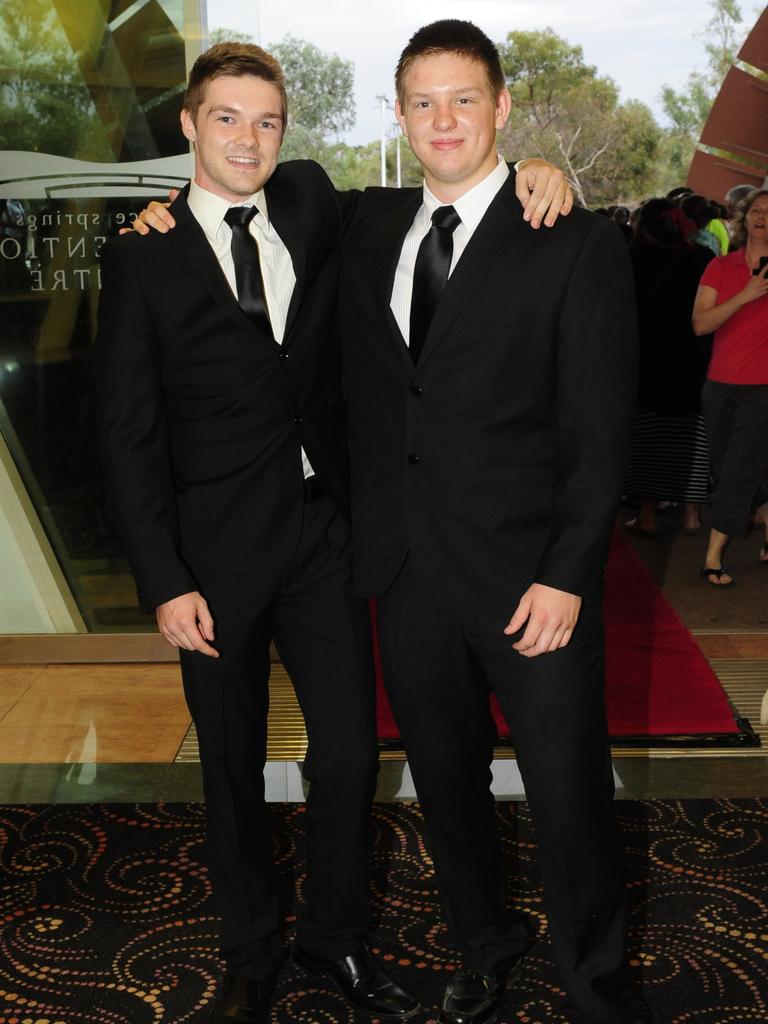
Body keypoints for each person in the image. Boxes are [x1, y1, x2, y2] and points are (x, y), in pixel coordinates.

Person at [97, 41, 572, 1024]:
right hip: (212, 558)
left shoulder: (315, 202)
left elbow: (443, 195)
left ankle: (334, 937)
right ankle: (248, 948)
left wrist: (535, 168)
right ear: (188, 126)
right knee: (228, 765)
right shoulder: (140, 253)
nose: (249, 138)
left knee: (350, 753)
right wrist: (162, 578)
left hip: (322, 538)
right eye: (226, 118)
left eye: (267, 120)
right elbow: (127, 436)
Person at [339, 20, 648, 1024]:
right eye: (421, 101)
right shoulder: (368, 223)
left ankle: (597, 984)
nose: (442, 119)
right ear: (397, 112)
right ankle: (484, 943)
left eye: (463, 99)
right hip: (411, 571)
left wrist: (568, 574)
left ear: (503, 108)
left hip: (532, 582)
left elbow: (600, 435)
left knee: (568, 798)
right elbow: (261, 185)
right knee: (448, 784)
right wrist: (165, 213)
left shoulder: (575, 239)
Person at [623, 198, 714, 537]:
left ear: (645, 227)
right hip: (695, 360)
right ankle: (691, 514)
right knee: (690, 436)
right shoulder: (703, 259)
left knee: (649, 439)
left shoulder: (634, 260)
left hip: (649, 362)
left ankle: (647, 514)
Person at [693, 188, 768, 586]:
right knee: (729, 472)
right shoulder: (720, 267)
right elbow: (701, 324)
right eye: (756, 210)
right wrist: (747, 295)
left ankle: (712, 557)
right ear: (744, 218)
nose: (761, 217)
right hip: (718, 386)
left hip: (763, 390)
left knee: (738, 471)